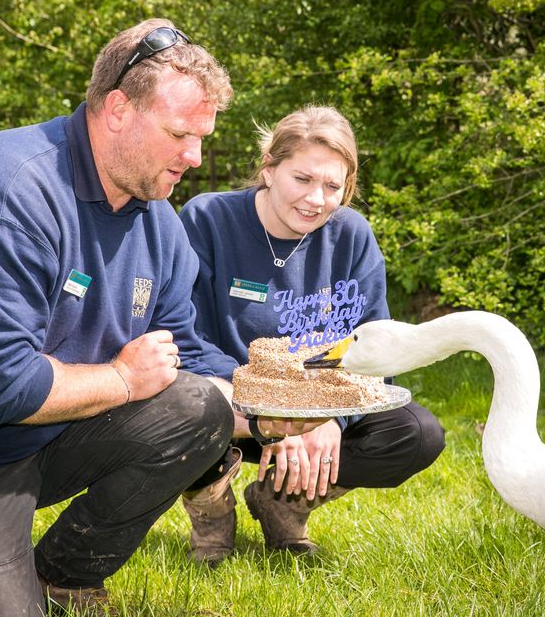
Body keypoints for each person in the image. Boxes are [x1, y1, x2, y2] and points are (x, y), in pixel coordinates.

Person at [0, 18, 318, 616]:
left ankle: (61, 576)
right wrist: (124, 380)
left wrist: (269, 406)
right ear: (117, 110)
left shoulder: (157, 222)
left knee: (198, 407)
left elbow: (183, 351)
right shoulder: (0, 194)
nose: (195, 156)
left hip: (33, 438)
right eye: (179, 133)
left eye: (202, 136)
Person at [178, 106, 446, 565]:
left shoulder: (352, 236)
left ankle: (284, 501)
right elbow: (187, 337)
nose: (316, 199)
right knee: (181, 400)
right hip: (232, 402)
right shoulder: (207, 219)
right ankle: (211, 510)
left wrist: (328, 419)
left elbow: (374, 352)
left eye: (332, 186)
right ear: (269, 168)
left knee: (417, 433)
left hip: (321, 407)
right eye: (301, 179)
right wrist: (277, 413)